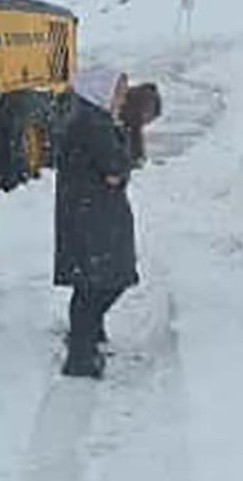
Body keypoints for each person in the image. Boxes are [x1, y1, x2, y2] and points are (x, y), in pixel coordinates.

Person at [54, 66, 138, 379]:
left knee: (90, 282)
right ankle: (80, 351)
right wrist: (122, 163)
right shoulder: (95, 124)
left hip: (86, 212)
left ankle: (85, 340)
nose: (122, 98)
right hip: (94, 215)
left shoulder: (87, 119)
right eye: (118, 91)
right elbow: (116, 168)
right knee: (103, 281)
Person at [120, 82, 162, 167]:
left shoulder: (135, 92)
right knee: (135, 133)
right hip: (136, 115)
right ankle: (136, 157)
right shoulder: (153, 96)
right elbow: (158, 111)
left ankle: (134, 157)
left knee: (132, 133)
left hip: (130, 115)